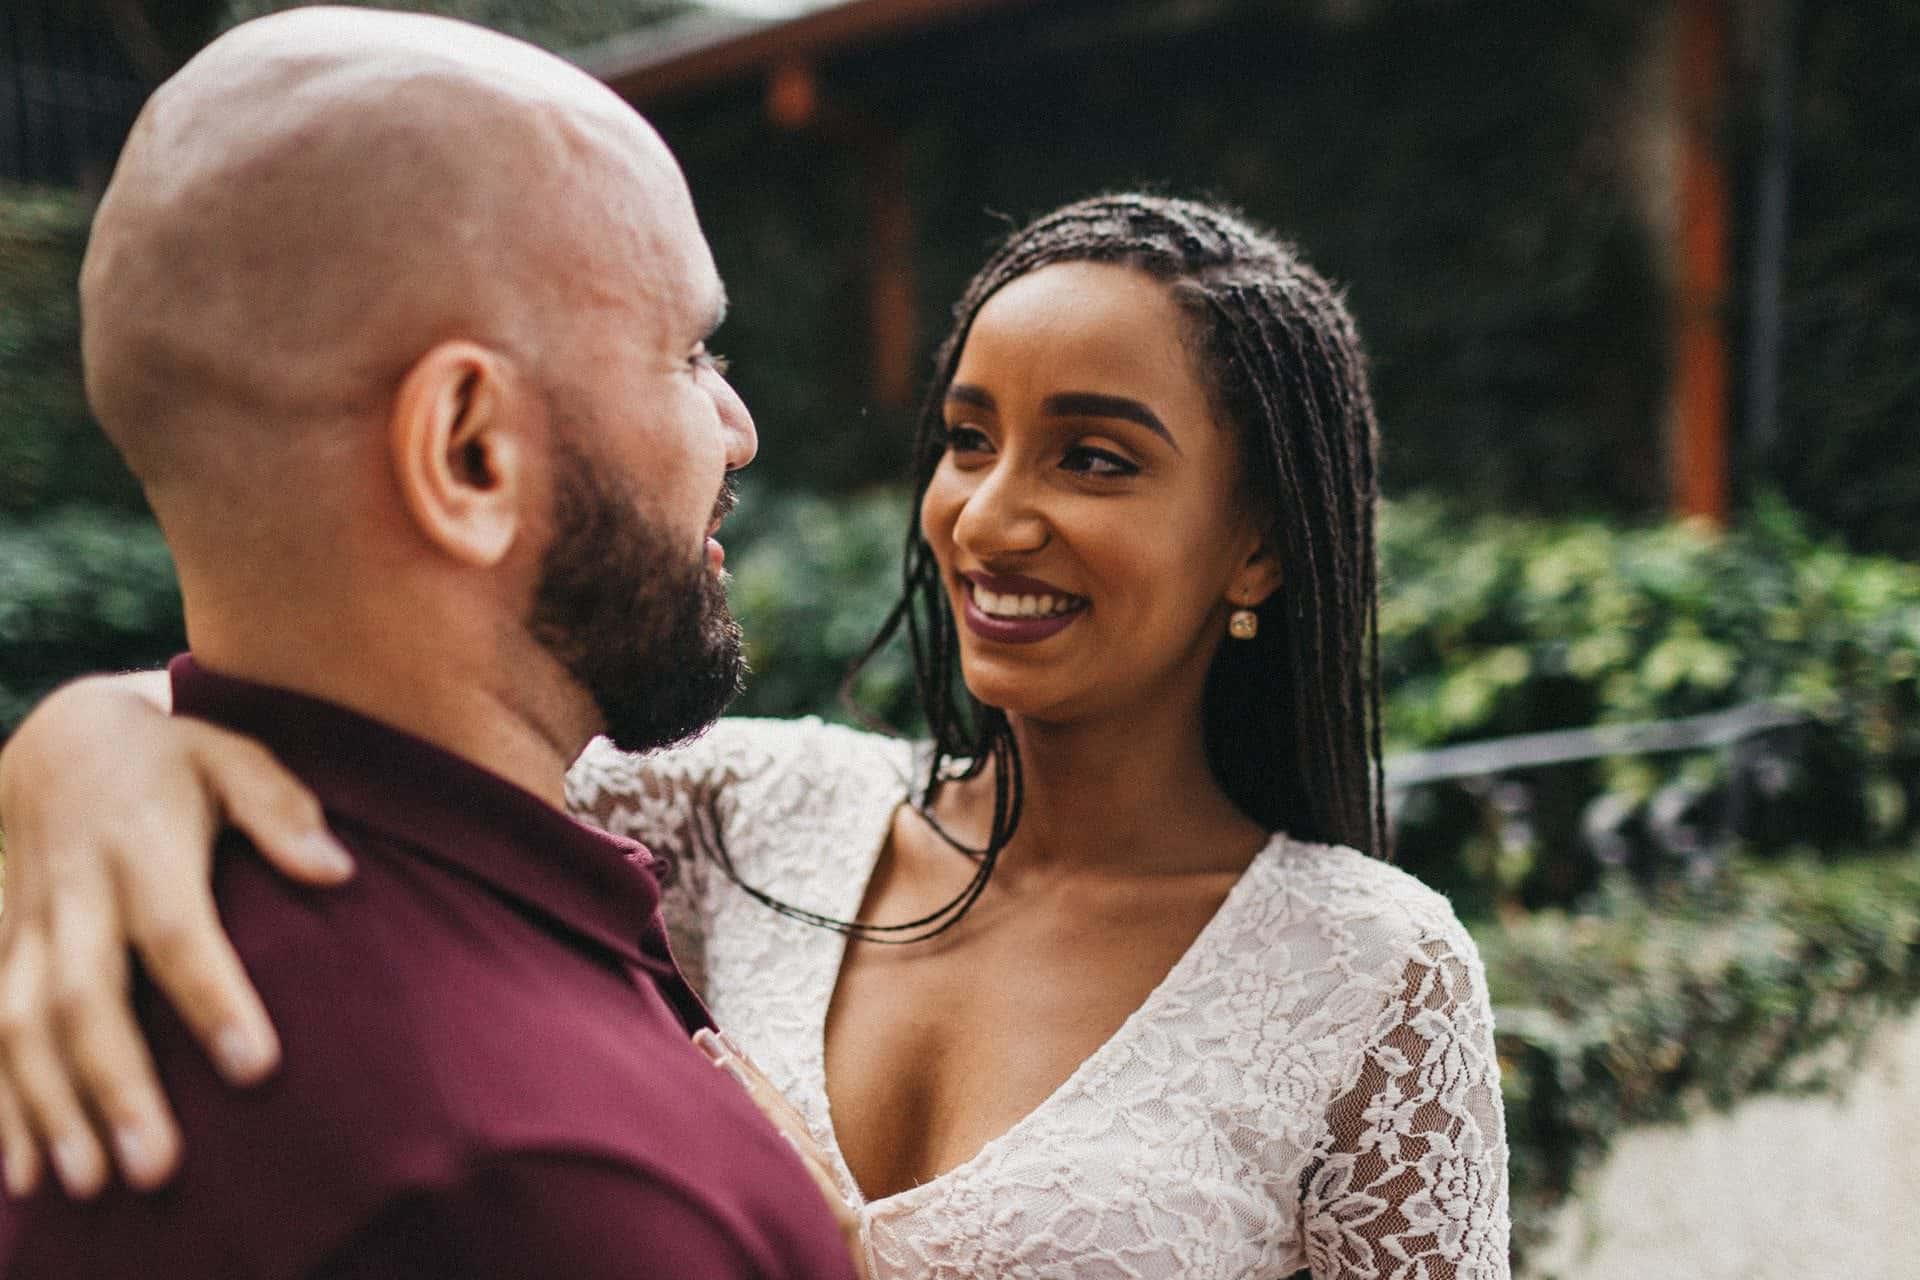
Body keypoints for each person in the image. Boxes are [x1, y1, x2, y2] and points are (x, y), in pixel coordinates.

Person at [0, 193, 1512, 1277]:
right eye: (968, 439)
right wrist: (84, 737)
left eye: (1095, 458)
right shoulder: (744, 808)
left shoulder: (1373, 975)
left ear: (1258, 549)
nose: (987, 515)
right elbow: (381, 755)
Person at [0, 7, 860, 1278]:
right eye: (686, 353)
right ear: (468, 450)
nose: (736, 428)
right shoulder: (538, 1185)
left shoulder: (134, 915)